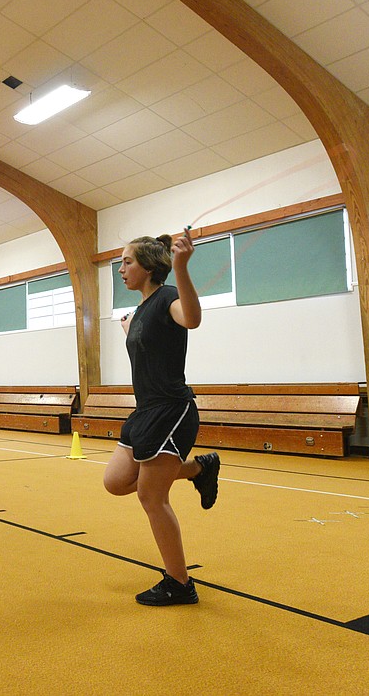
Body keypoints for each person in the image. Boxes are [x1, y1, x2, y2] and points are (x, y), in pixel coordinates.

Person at [104, 230, 220, 606]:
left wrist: (182, 267)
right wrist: (128, 329)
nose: (121, 268)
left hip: (172, 410)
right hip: (144, 412)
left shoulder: (169, 296)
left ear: (150, 267)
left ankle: (179, 583)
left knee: (151, 496)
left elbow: (192, 318)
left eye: (127, 261)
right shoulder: (139, 311)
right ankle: (199, 469)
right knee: (116, 481)